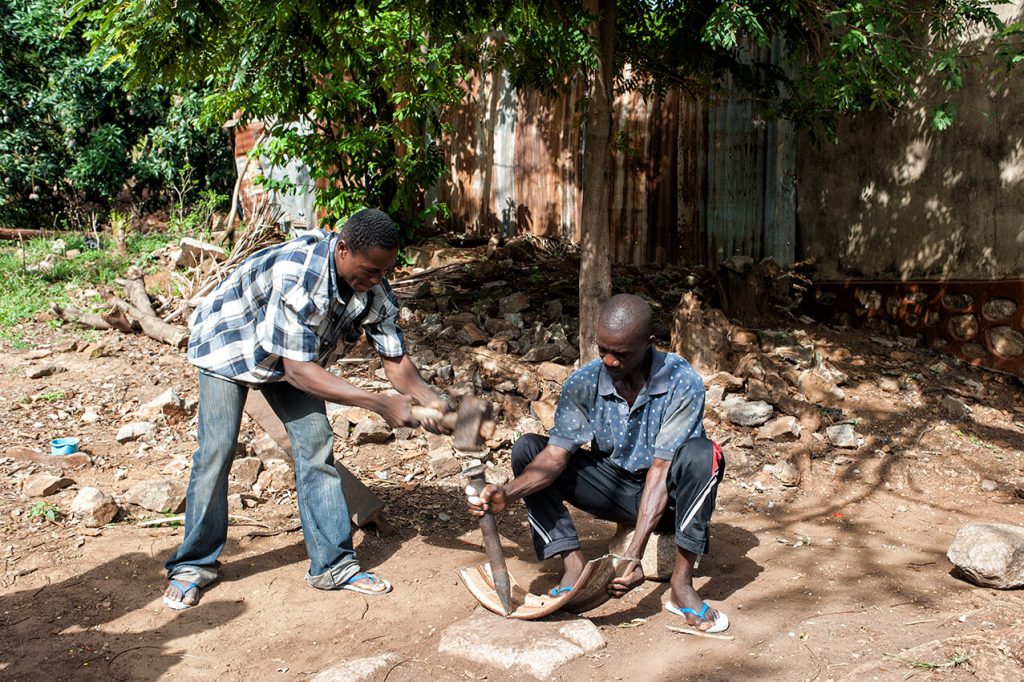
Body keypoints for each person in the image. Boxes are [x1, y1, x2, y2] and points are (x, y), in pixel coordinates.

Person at [163, 208, 447, 610]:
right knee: (217, 452)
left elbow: (395, 359)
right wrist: (378, 403)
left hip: (289, 360)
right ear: (343, 249)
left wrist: (431, 400)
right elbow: (298, 372)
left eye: (384, 272)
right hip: (229, 345)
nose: (376, 280)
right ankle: (193, 565)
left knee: (316, 445)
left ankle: (333, 566)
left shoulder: (373, 284)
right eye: (369, 271)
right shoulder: (301, 274)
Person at [466, 294, 728, 631]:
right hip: (616, 489)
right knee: (529, 449)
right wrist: (507, 493)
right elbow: (555, 457)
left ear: (648, 344)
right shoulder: (585, 381)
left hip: (672, 496)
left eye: (621, 354)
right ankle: (573, 563)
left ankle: (681, 585)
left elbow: (662, 471)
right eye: (602, 349)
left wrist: (632, 554)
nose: (609, 361)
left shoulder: (680, 380)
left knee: (704, 454)